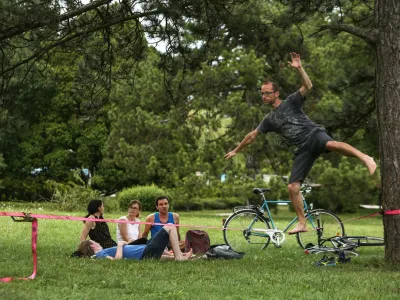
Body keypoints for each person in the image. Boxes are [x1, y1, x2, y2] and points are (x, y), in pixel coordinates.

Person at [224, 52, 377, 235]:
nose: (264, 96)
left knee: (332, 145)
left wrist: (299, 68)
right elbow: (252, 136)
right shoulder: (269, 120)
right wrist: (236, 150)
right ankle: (302, 223)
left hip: (314, 134)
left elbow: (308, 85)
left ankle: (365, 157)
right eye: (262, 94)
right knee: (292, 187)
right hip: (303, 148)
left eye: (267, 93)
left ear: (276, 93)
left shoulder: (291, 101)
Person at [78, 224, 192, 261]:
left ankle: (181, 256)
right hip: (145, 252)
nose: (97, 243)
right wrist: (120, 244)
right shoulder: (100, 254)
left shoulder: (102, 253)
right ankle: (179, 257)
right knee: (170, 226)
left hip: (145, 252)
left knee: (159, 251)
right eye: (94, 242)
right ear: (92, 245)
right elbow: (116, 260)